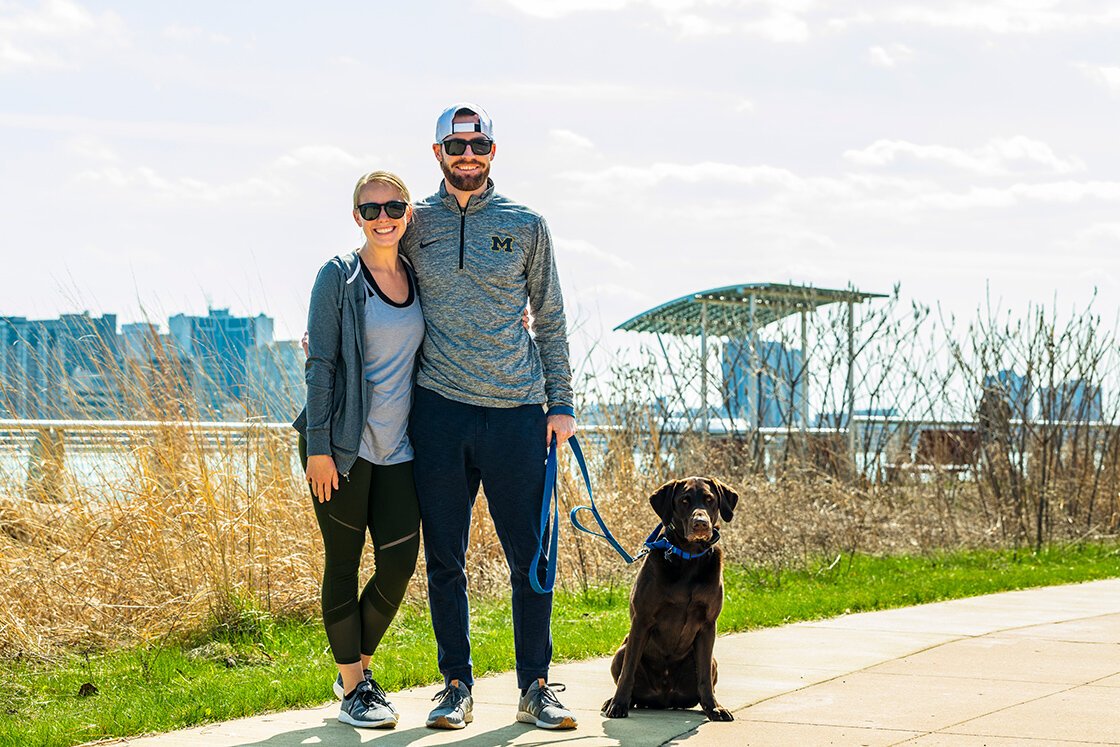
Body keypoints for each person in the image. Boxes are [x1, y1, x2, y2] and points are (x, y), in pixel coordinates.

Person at [401, 102, 579, 731]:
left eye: (477, 146)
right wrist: (330, 334)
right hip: (439, 411)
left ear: (493, 153)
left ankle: (536, 686)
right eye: (456, 146)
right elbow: (367, 277)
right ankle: (455, 685)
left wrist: (561, 404)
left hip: (516, 414)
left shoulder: (527, 225)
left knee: (531, 556)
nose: (466, 155)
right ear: (438, 153)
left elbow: (551, 319)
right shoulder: (412, 222)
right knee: (444, 558)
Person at [292, 171, 423, 729]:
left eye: (394, 206)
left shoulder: (418, 276)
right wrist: (319, 446)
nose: (383, 217)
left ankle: (356, 673)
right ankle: (354, 688)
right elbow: (320, 364)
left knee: (398, 563)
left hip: (398, 447)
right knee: (342, 565)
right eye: (371, 210)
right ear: (357, 218)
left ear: (408, 211)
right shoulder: (339, 277)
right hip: (341, 448)